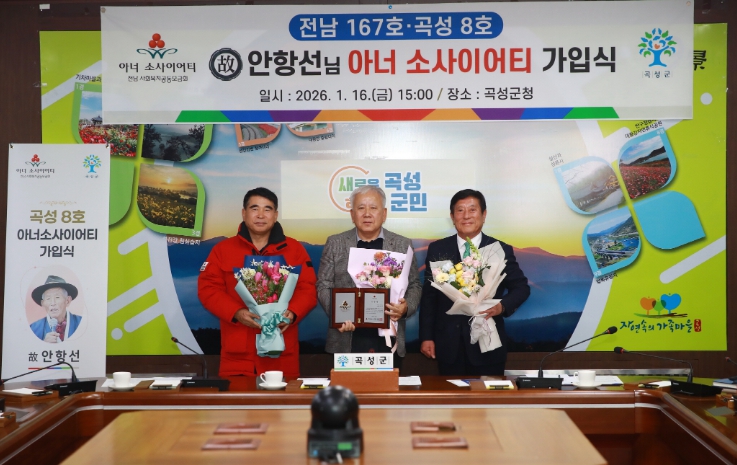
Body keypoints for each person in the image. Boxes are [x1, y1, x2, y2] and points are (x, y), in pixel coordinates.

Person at [198, 187, 317, 378]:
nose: (261, 215)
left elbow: (308, 288)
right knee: (238, 397)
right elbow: (208, 290)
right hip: (238, 353)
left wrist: (293, 312)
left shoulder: (294, 250)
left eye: (267, 209)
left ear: (275, 215)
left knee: (283, 397)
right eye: (254, 208)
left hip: (281, 350)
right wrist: (236, 313)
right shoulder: (222, 250)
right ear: (244, 213)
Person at [419, 189, 530, 376]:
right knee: (451, 394)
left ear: (484, 215)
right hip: (449, 346)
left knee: (487, 395)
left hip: (487, 344)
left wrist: (501, 306)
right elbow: (430, 298)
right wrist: (426, 337)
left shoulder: (499, 249)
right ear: (452, 217)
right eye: (460, 210)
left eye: (472, 210)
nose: (466, 216)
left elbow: (521, 288)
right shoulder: (438, 249)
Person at [317, 185, 422, 371]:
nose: (367, 214)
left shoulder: (402, 244)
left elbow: (414, 285)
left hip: (388, 337)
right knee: (347, 389)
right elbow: (323, 285)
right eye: (361, 208)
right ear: (352, 214)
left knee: (387, 388)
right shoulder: (335, 243)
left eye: (373, 208)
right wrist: (338, 315)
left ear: (384, 213)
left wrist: (405, 308)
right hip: (346, 336)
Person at [29, 275, 82, 343]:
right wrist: (43, 345)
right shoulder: (33, 328)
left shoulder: (81, 323)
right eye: (48, 298)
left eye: (57, 297)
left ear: (67, 301)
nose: (53, 303)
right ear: (43, 303)